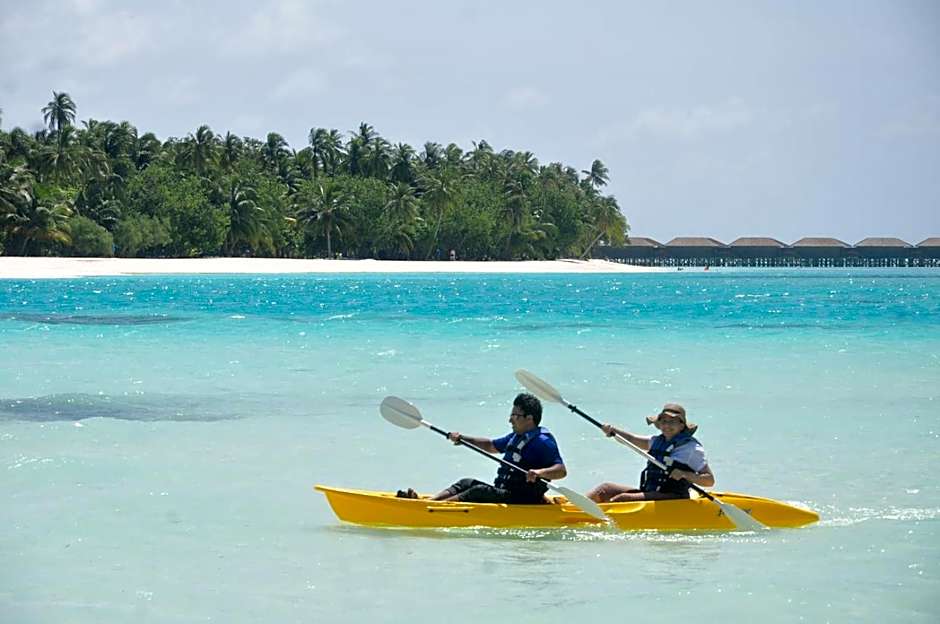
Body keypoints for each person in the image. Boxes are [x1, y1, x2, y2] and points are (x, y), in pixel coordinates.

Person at [397, 393, 567, 504]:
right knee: (467, 482)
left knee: (478, 491)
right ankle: (429, 503)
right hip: (506, 492)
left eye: (515, 416)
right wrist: (463, 438)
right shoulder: (516, 437)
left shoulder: (543, 441)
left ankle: (433, 509)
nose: (510, 420)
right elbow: (490, 445)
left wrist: (540, 473)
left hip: (522, 498)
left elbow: (561, 470)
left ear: (529, 418)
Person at [586, 403, 714, 503]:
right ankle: (573, 509)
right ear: (659, 424)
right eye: (664, 421)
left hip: (674, 497)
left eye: (672, 421)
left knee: (622, 499)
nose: (667, 425)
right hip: (651, 493)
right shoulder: (655, 441)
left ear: (682, 426)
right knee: (605, 489)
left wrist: (685, 474)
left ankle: (601, 518)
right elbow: (631, 439)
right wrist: (612, 430)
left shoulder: (691, 448)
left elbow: (709, 480)